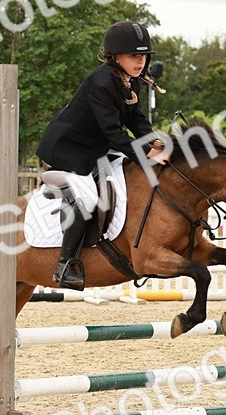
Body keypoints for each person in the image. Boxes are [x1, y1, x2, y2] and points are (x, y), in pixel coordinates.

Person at [35, 20, 167, 289]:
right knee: (87, 197)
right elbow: (114, 134)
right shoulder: (101, 83)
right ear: (116, 56)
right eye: (134, 55)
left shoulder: (131, 80)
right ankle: (65, 264)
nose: (140, 61)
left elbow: (136, 121)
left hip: (97, 145)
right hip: (70, 148)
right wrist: (146, 152)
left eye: (143, 56)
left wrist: (157, 141)